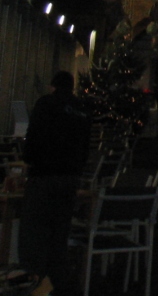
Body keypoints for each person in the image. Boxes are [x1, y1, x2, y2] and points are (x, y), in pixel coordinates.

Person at [21, 70, 91, 294]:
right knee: (59, 233)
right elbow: (85, 147)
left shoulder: (45, 104)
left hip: (43, 176)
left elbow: (33, 138)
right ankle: (58, 284)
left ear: (53, 86)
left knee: (35, 233)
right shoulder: (81, 109)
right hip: (69, 179)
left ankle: (34, 282)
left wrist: (28, 159)